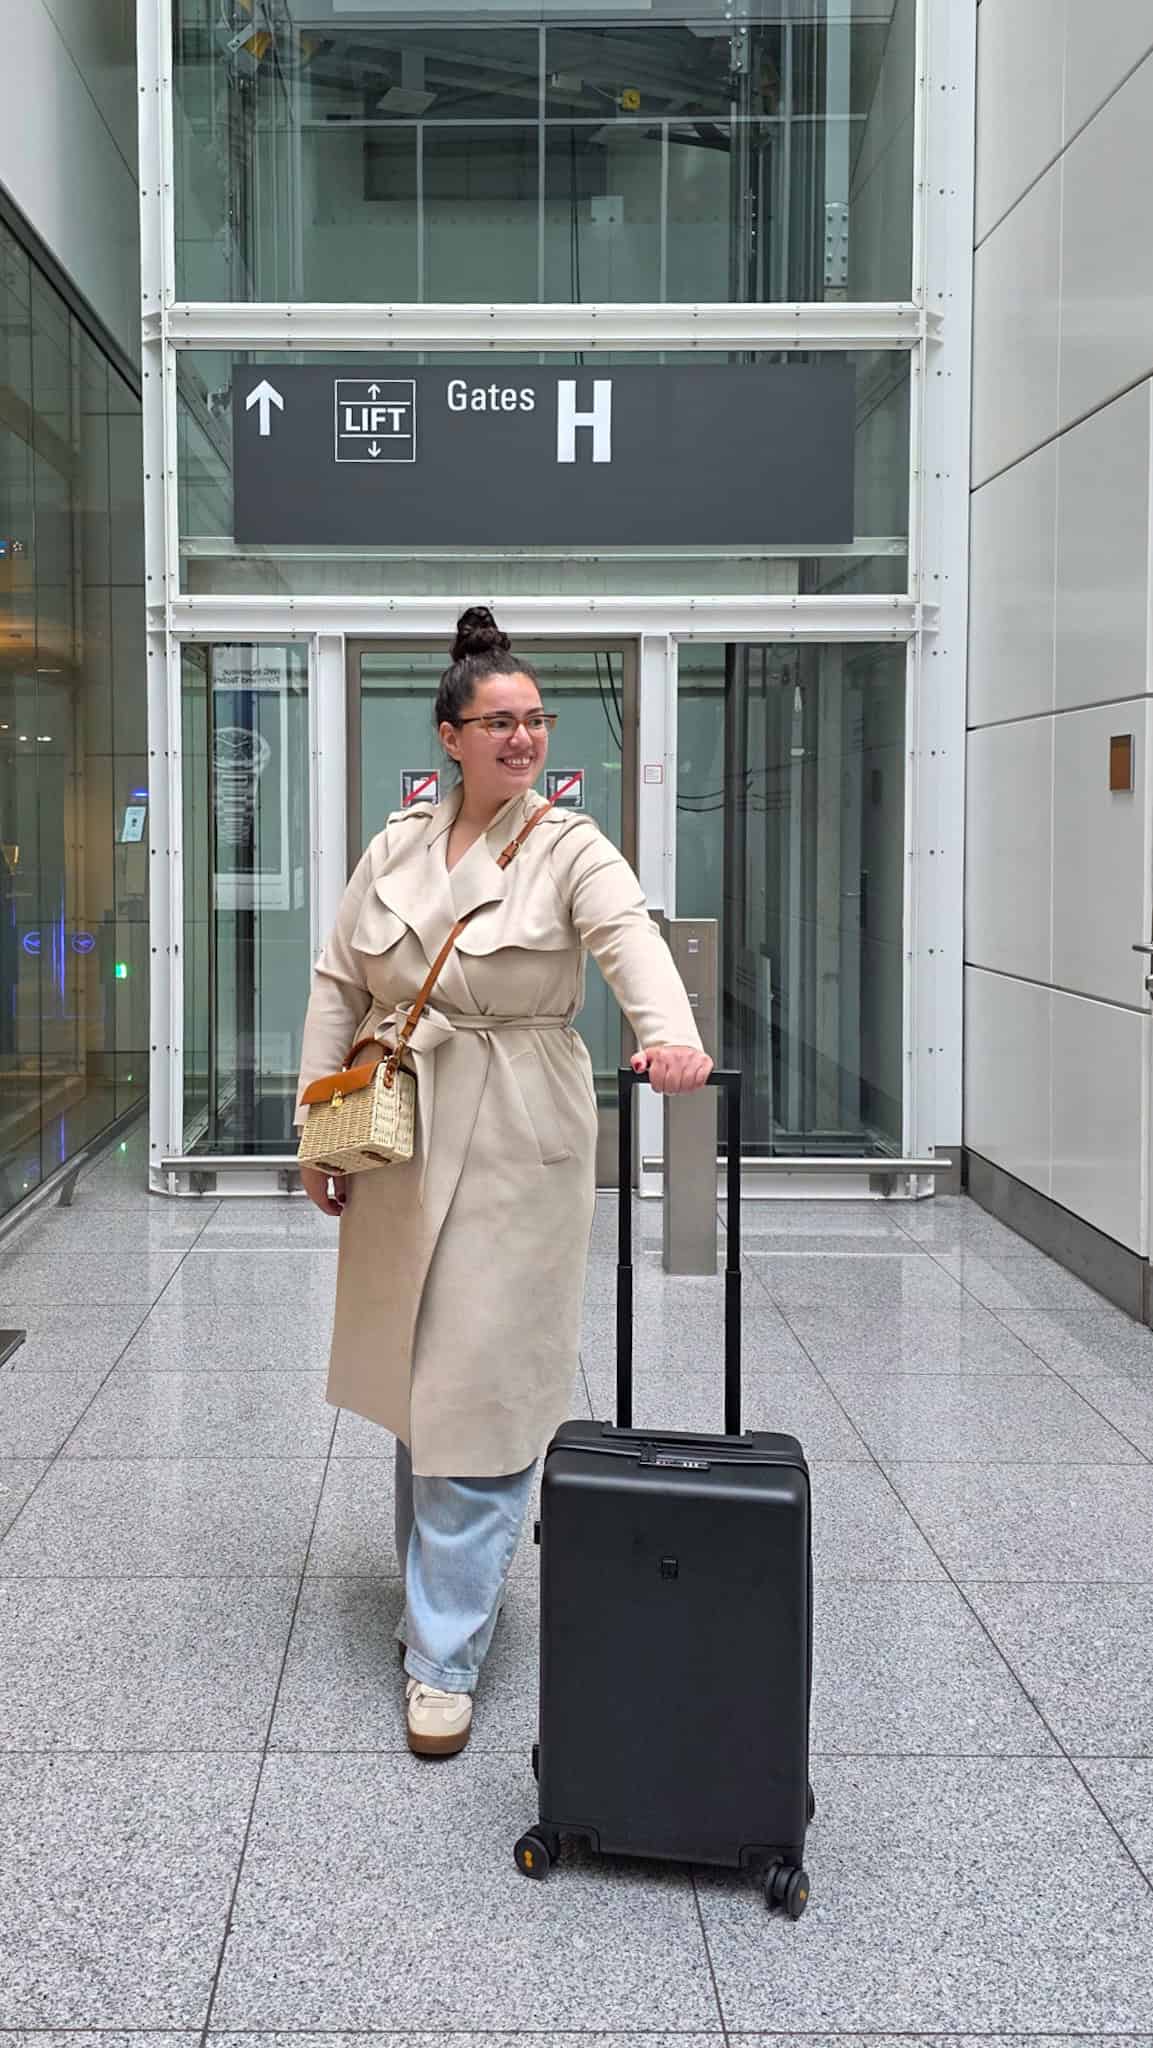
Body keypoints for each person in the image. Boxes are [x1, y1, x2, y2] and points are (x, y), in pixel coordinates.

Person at [295, 606, 712, 1758]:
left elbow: (629, 939)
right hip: (400, 1121)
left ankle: (444, 1652)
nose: (523, 738)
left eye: (536, 720)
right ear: (451, 734)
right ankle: (434, 1597)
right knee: (413, 1374)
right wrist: (314, 1129)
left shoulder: (571, 845)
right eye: (502, 722)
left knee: (481, 1382)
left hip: (518, 1117)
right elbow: (339, 981)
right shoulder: (395, 847)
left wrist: (669, 1036)